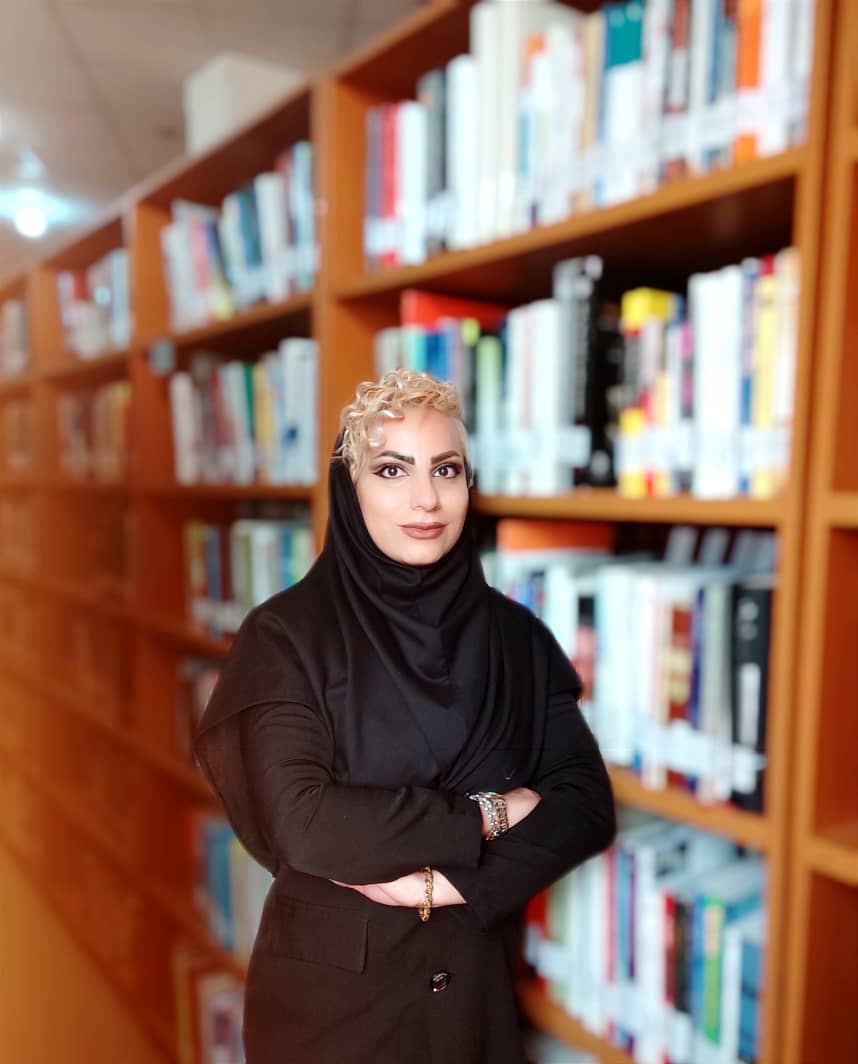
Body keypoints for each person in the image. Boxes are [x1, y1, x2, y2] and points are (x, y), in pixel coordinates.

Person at [194, 368, 617, 1064]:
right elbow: (307, 822)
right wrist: (488, 814)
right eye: (392, 470)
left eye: (446, 470)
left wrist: (446, 884)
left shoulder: (517, 637)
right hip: (333, 1014)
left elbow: (585, 804)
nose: (427, 498)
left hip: (475, 998)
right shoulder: (286, 637)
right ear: (350, 487)